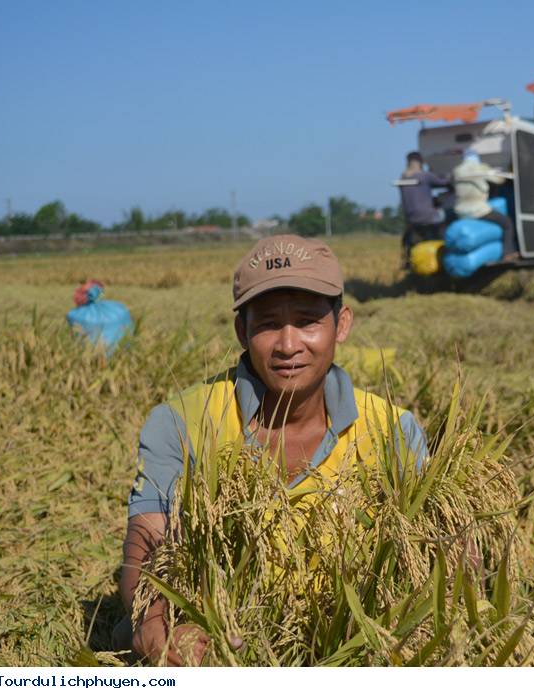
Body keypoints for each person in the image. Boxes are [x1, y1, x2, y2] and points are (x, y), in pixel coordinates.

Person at [114, 234, 428, 665]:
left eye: (308, 321)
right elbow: (149, 538)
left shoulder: (394, 430)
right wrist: (154, 626)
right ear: (242, 331)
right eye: (267, 324)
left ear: (343, 325)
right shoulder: (182, 421)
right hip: (222, 643)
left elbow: (438, 554)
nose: (287, 344)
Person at [452, 150, 517, 261]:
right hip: (478, 210)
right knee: (507, 223)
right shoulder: (481, 168)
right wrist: (496, 172)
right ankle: (508, 253)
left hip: (460, 211)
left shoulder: (456, 170)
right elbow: (499, 180)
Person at [397, 151, 450, 268]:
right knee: (450, 214)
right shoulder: (424, 175)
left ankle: (407, 259)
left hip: (411, 220)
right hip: (429, 217)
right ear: (421, 162)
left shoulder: (403, 177)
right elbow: (445, 182)